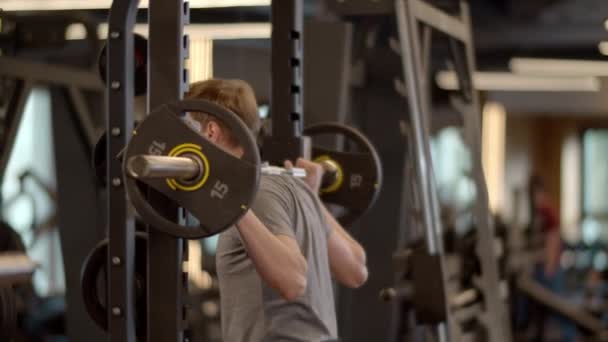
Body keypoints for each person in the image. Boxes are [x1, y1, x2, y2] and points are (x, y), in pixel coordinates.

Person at [184, 79, 369, 342]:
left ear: (210, 132)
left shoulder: (254, 194)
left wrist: (235, 201)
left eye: (187, 131)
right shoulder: (292, 187)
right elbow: (356, 269)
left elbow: (293, 281)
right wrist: (313, 200)